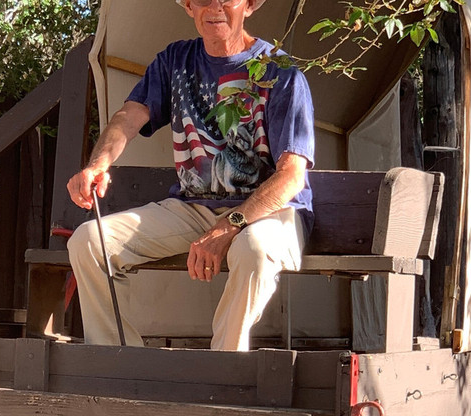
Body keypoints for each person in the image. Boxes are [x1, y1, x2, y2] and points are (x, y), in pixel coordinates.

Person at [67, 0, 315, 351]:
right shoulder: (175, 61)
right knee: (87, 242)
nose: (214, 7)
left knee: (254, 249)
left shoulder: (281, 72)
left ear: (250, 5)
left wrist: (229, 225)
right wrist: (97, 164)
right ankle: (122, 365)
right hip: (194, 207)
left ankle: (223, 371)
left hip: (271, 213)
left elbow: (291, 176)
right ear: (187, 6)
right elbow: (128, 116)